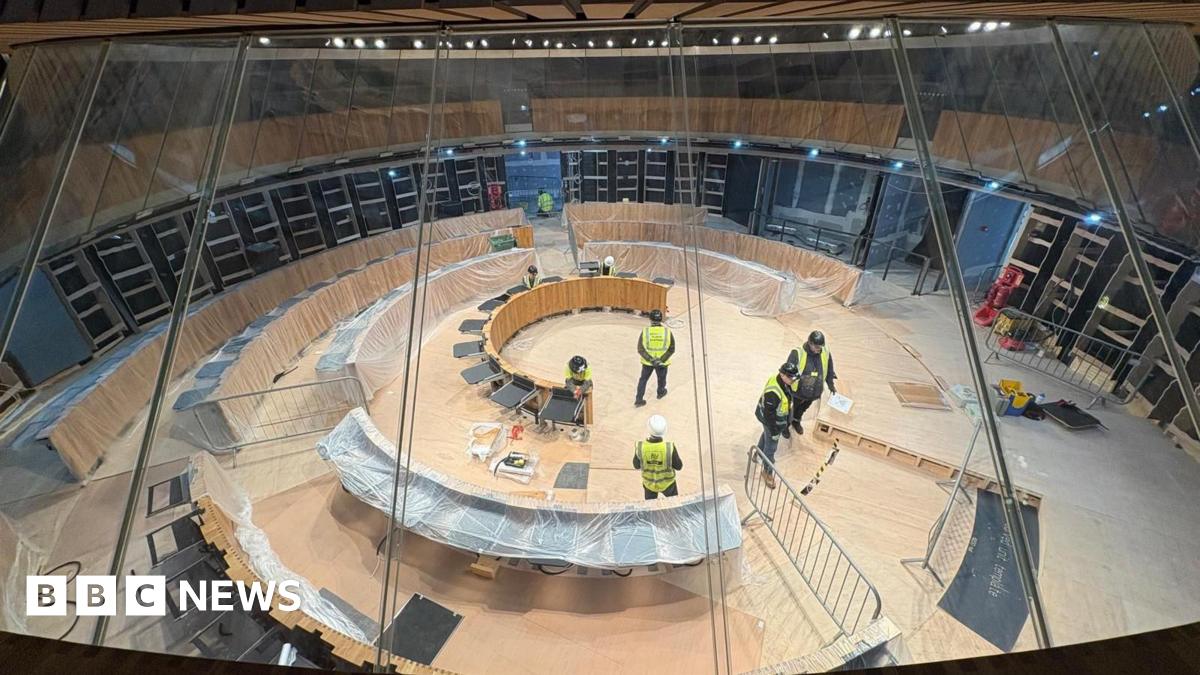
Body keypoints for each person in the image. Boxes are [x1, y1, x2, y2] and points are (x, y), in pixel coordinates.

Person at [754, 362, 798, 489]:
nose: (793, 380)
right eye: (791, 378)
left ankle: (757, 453)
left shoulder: (782, 381)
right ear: (782, 374)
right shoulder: (773, 392)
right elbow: (769, 415)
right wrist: (774, 430)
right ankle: (767, 472)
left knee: (765, 435)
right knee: (771, 449)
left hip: (773, 420)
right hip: (772, 422)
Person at [784, 330, 836, 438]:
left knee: (802, 409)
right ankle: (785, 426)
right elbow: (787, 373)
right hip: (797, 391)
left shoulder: (824, 351)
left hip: (814, 391)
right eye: (817, 347)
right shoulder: (797, 353)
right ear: (810, 343)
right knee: (791, 409)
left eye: (820, 347)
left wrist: (831, 384)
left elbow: (829, 368)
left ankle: (796, 421)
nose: (819, 350)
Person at [633, 414, 683, 500]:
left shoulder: (641, 447)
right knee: (674, 504)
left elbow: (636, 465)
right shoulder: (669, 447)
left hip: (649, 485)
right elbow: (679, 466)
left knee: (650, 507)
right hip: (668, 484)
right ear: (665, 430)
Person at [634, 309, 674, 407]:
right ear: (661, 319)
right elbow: (671, 349)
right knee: (661, 379)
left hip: (648, 363)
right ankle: (660, 392)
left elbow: (640, 349)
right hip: (662, 363)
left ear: (650, 319)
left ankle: (639, 400)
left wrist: (651, 359)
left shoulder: (645, 331)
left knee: (643, 380)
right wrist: (661, 360)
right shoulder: (667, 332)